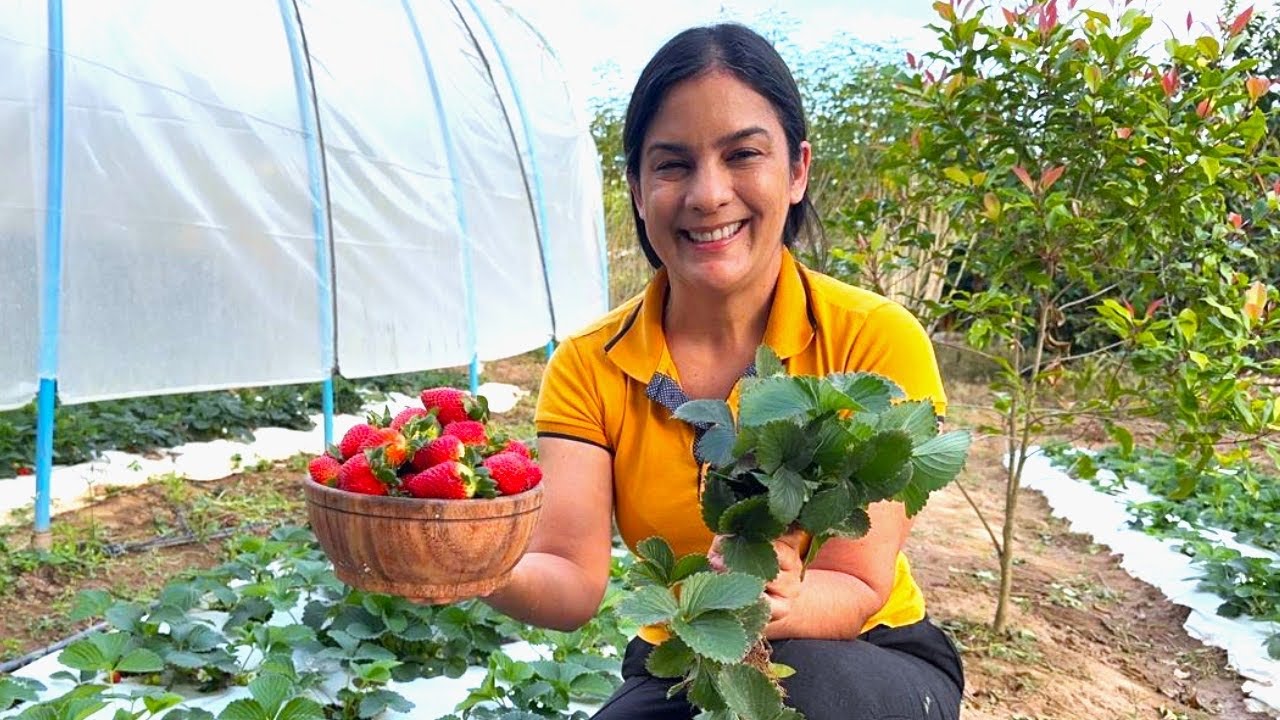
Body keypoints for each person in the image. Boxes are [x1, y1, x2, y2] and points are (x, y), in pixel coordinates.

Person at [482, 22, 964, 720]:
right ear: (638, 189)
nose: (708, 194)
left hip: (867, 653)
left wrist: (782, 595)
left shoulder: (871, 342)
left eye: (742, 154)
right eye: (672, 164)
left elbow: (856, 583)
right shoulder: (590, 365)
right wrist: (469, 562)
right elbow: (570, 579)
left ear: (796, 170)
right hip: (689, 657)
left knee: (808, 704)